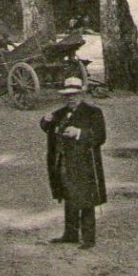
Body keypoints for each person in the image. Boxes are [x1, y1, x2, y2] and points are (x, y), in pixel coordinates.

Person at [41, 77, 107, 249]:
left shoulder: (93, 112)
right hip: (63, 162)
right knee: (68, 196)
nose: (71, 98)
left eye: (74, 94)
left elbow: (100, 137)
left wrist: (79, 133)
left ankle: (88, 238)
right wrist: (45, 120)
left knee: (86, 199)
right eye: (67, 95)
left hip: (84, 163)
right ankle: (70, 234)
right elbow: (46, 126)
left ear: (81, 94)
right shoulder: (61, 112)